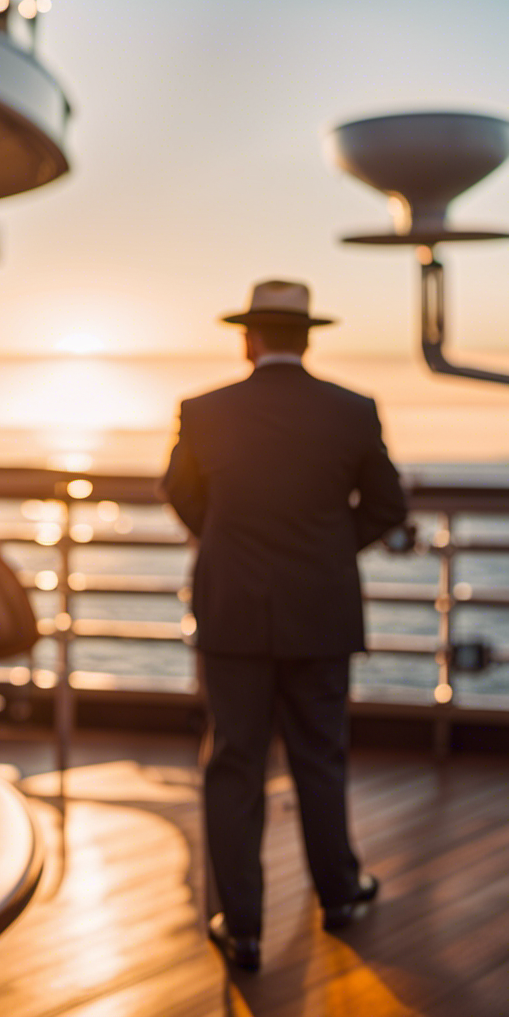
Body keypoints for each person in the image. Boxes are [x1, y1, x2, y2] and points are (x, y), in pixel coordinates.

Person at [160, 279, 407, 972]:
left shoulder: (204, 411)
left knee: (234, 762)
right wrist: (329, 548)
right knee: (319, 759)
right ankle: (339, 896)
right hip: (321, 611)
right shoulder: (353, 411)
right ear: (307, 337)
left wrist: (227, 543)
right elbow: (387, 505)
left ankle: (241, 927)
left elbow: (179, 493)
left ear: (250, 337)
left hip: (232, 609)